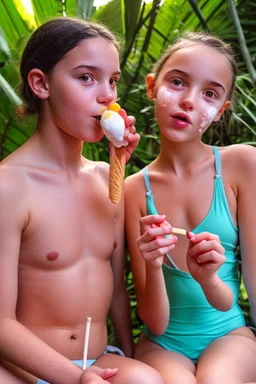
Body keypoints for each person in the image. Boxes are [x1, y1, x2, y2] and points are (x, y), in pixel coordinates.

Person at [0, 17, 165, 384]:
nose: (107, 95)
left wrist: (127, 353)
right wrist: (75, 380)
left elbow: (117, 290)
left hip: (97, 361)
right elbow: (0, 324)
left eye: (113, 80)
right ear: (41, 84)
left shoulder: (107, 180)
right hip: (22, 369)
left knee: (147, 380)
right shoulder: (9, 186)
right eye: (87, 77)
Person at [125, 31, 256, 383]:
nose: (189, 101)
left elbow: (252, 283)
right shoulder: (134, 190)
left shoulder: (242, 165)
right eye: (178, 82)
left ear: (220, 112)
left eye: (210, 93)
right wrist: (153, 266)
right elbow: (155, 321)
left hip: (229, 335)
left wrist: (209, 278)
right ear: (152, 87)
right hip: (162, 344)